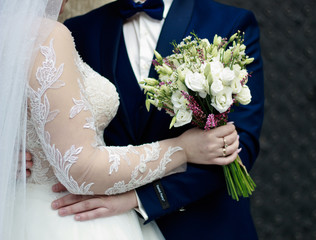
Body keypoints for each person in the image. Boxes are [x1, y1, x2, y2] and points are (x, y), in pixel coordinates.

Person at [0, 0, 240, 239]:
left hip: (202, 221)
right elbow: (79, 166)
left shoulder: (231, 22)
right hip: (67, 218)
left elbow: (240, 141)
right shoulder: (63, 32)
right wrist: (183, 149)